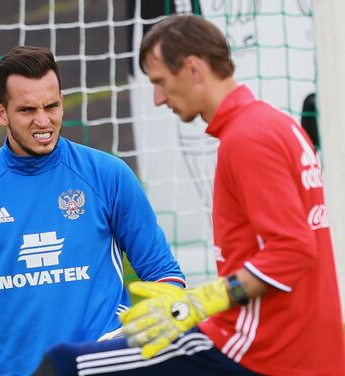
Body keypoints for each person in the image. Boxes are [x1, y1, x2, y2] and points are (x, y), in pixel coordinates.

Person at [33, 15, 345, 376]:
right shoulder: (277, 125)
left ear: (194, 69)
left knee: (63, 365)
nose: (158, 98)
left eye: (161, 82)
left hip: (260, 348)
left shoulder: (248, 137)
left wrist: (199, 301)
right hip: (306, 347)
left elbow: (292, 250)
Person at [0, 45, 186, 376]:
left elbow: (165, 274)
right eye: (27, 110)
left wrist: (144, 334)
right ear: (1, 112)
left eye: (52, 106)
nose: (44, 121)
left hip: (106, 367)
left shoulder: (108, 175)